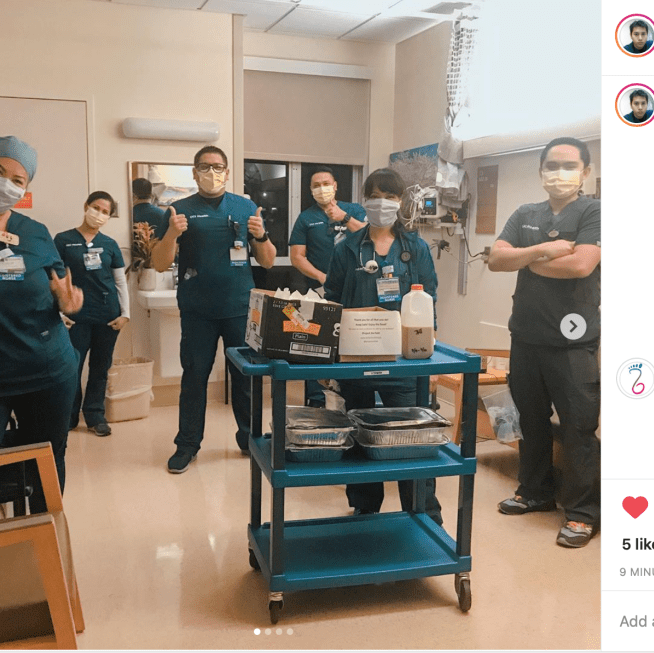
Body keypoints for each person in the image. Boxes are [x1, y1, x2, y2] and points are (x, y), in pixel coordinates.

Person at [0, 135, 84, 512]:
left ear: (25, 189)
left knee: (48, 460)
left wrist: (71, 301)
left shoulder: (36, 232)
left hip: (49, 370)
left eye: (17, 179)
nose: (5, 182)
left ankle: (47, 533)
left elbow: (65, 290)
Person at [488, 137, 601, 548]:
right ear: (540, 171)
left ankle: (582, 514)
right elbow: (496, 259)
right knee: (529, 421)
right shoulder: (525, 213)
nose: (559, 173)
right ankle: (534, 492)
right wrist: (544, 250)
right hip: (527, 335)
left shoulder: (594, 211)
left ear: (585, 172)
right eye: (551, 165)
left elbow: (581, 264)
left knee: (577, 428)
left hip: (573, 344)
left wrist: (524, 258)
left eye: (570, 166)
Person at [324, 168, 443, 526]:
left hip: (403, 362)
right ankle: (364, 505)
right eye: (376, 196)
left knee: (409, 438)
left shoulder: (416, 248)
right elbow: (332, 298)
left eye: (391, 197)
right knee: (359, 436)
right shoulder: (347, 248)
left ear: (401, 202)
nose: (383, 203)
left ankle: (423, 512)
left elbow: (430, 299)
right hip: (356, 358)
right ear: (365, 201)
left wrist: (427, 360)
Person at [152, 146, 276, 473]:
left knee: (245, 379)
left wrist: (260, 235)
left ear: (227, 171)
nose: (212, 172)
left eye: (218, 166)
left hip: (238, 308)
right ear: (194, 172)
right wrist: (172, 235)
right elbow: (160, 262)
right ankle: (187, 445)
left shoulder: (246, 206)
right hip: (198, 311)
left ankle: (249, 438)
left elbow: (266, 259)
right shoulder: (178, 210)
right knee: (194, 378)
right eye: (205, 167)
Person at [289, 166, 366, 407]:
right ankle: (316, 400)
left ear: (335, 186)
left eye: (326, 183)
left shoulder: (354, 210)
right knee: (315, 345)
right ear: (311, 190)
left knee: (352, 344)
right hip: (319, 292)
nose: (321, 188)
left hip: (355, 291)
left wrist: (343, 217)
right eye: (316, 185)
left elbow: (370, 236)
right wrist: (322, 277)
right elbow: (297, 256)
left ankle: (354, 398)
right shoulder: (306, 218)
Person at [55, 191, 130, 437]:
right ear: (86, 206)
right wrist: (58, 312)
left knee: (101, 366)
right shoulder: (64, 240)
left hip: (107, 315)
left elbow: (120, 281)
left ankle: (95, 415)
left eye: (105, 211)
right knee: (72, 367)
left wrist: (126, 314)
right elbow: (55, 279)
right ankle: (68, 415)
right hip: (75, 316)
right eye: (96, 207)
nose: (99, 214)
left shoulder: (109, 244)